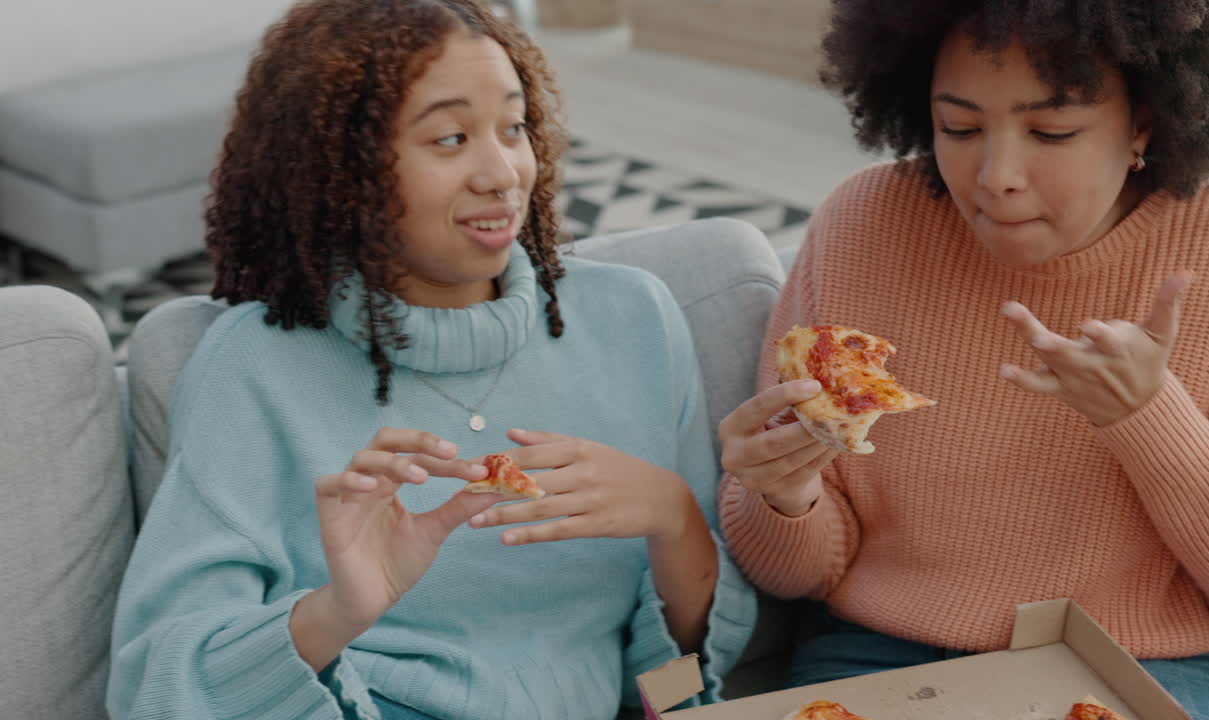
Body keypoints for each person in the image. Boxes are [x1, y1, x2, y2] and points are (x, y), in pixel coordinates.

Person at [106, 1, 755, 718]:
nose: (502, 172)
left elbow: (681, 682)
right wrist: (338, 611)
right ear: (341, 172)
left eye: (514, 128)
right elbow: (160, 690)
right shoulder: (253, 367)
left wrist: (674, 518)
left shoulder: (635, 319)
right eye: (450, 138)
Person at [717, 0, 1209, 717]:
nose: (997, 174)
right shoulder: (862, 227)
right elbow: (798, 575)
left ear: (1143, 120)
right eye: (960, 127)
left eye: (1051, 130)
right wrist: (782, 498)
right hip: (879, 656)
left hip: (1148, 664)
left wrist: (1150, 417)